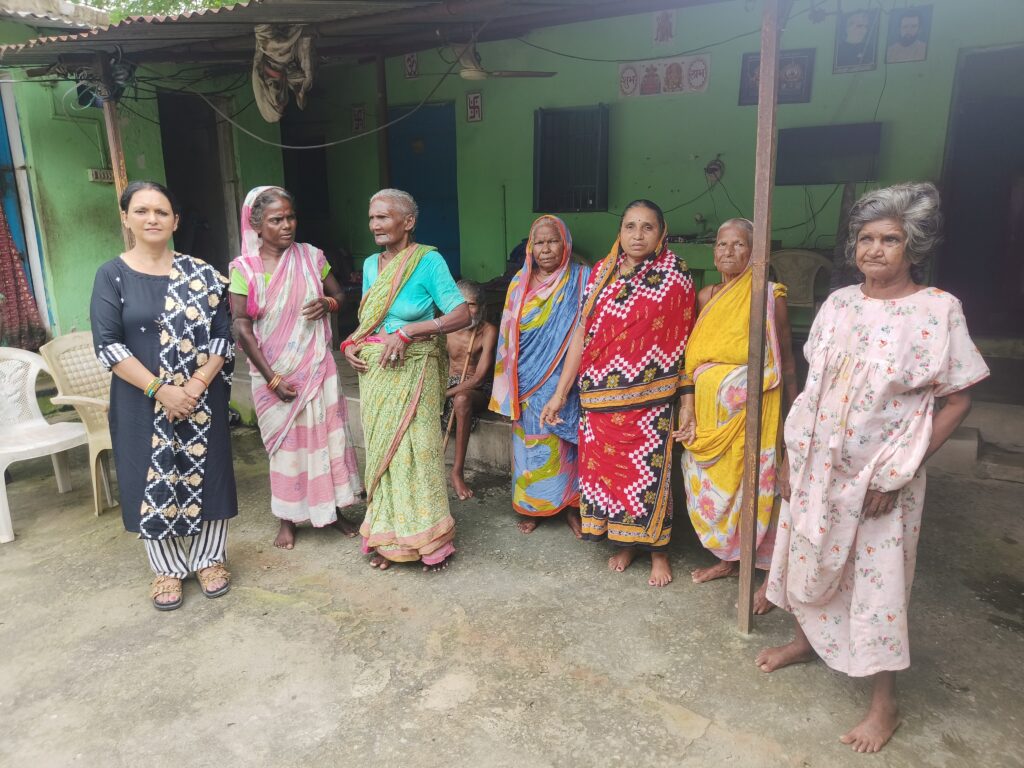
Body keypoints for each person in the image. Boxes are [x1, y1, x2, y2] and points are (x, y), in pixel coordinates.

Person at [756, 183, 989, 753]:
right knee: (805, 552)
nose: (875, 250)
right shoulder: (838, 304)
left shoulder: (937, 310)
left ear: (913, 247)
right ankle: (804, 639)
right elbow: (814, 389)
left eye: (891, 239)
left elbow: (958, 398)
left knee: (877, 584)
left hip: (882, 482)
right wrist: (789, 457)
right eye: (866, 238)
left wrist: (899, 474)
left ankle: (884, 704)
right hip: (817, 469)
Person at [90, 180, 236, 611]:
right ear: (126, 217)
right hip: (140, 399)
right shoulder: (112, 275)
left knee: (207, 475)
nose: (152, 219)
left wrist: (192, 387)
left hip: (201, 399)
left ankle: (209, 559)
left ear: (176, 220)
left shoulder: (203, 273)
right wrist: (161, 390)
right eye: (142, 211)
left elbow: (222, 338)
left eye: (161, 211)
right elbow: (109, 344)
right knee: (152, 479)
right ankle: (167, 568)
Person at [540, 200, 696, 587]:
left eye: (646, 227)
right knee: (611, 477)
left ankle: (658, 550)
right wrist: (561, 393)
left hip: (650, 400)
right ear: (620, 232)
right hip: (597, 399)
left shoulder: (675, 274)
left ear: (662, 232)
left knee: (650, 476)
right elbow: (582, 334)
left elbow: (687, 339)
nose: (637, 235)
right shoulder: (601, 272)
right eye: (630, 227)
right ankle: (625, 541)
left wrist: (687, 399)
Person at [342, 189, 472, 571]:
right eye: (372, 218)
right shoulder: (370, 265)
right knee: (385, 453)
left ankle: (428, 542)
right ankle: (389, 540)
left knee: (418, 453)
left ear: (408, 222)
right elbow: (370, 320)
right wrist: (350, 342)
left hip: (414, 368)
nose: (375, 225)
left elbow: (461, 314)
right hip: (377, 371)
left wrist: (412, 331)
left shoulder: (428, 262)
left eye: (383, 217)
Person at [228, 186, 362, 550]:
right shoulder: (244, 269)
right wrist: (272, 377)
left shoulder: (312, 256)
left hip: (315, 365)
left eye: (290, 217)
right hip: (273, 371)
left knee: (327, 439)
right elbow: (241, 325)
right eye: (276, 219)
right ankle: (287, 518)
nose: (286, 225)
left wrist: (328, 304)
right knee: (285, 447)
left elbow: (342, 295)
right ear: (256, 225)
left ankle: (332, 510)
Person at [677, 219, 797, 613]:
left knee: (755, 489)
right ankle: (729, 562)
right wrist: (689, 405)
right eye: (721, 244)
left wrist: (792, 421)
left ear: (755, 251)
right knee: (711, 487)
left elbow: (785, 360)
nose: (728, 251)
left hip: (756, 415)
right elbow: (692, 362)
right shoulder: (706, 296)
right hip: (710, 420)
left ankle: (767, 579)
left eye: (739, 244)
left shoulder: (768, 295)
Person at [490, 215, 587, 535]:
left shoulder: (582, 278)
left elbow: (588, 329)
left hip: (567, 379)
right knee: (532, 444)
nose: (546, 248)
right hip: (527, 378)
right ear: (530, 247)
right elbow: (506, 336)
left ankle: (572, 506)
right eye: (539, 242)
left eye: (553, 241)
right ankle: (534, 506)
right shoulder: (519, 282)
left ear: (566, 244)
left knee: (568, 442)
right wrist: (505, 389)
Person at [441, 279, 498, 500]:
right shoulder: (445, 328)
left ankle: (456, 472)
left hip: (476, 390)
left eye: (472, 305)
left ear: (481, 308)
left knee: (462, 399)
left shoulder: (488, 331)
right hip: (447, 384)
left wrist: (447, 393)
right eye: (461, 303)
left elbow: (479, 378)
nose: (467, 310)